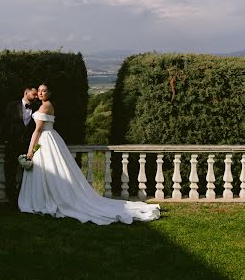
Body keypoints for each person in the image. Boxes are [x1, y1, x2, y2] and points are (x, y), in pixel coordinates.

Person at [18, 83, 160, 224]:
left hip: (45, 139)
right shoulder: (46, 105)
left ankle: (44, 200)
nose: (41, 93)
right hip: (48, 139)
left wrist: (30, 151)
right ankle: (45, 198)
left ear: (49, 93)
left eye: (44, 91)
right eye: (40, 91)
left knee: (49, 169)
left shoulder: (45, 106)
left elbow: (38, 130)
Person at [3, 85, 39, 206]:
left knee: (28, 174)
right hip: (12, 144)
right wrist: (5, 140)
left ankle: (24, 199)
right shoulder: (12, 105)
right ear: (26, 93)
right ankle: (11, 201)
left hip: (27, 146)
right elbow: (5, 123)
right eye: (34, 94)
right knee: (10, 172)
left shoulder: (38, 108)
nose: (36, 97)